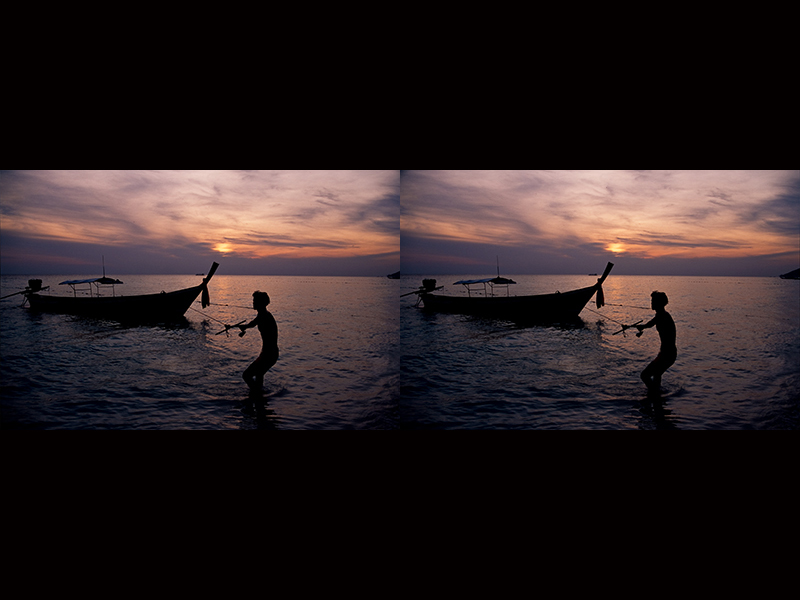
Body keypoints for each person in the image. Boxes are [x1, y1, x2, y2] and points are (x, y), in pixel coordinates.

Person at [636, 291, 677, 395]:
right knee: (657, 374)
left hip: (667, 354)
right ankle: (656, 395)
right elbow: (650, 324)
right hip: (668, 353)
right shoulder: (662, 315)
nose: (651, 303)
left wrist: (643, 327)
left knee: (644, 375)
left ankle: (654, 394)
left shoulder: (662, 316)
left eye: (653, 301)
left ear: (658, 303)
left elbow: (650, 324)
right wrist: (642, 326)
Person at [239, 291, 279, 394]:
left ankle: (256, 394)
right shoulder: (263, 314)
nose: (253, 303)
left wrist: (245, 327)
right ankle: (258, 397)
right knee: (259, 374)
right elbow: (253, 323)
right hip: (270, 353)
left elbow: (255, 322)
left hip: (268, 354)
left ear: (260, 303)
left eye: (254, 301)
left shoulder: (264, 316)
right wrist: (245, 326)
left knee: (246, 375)